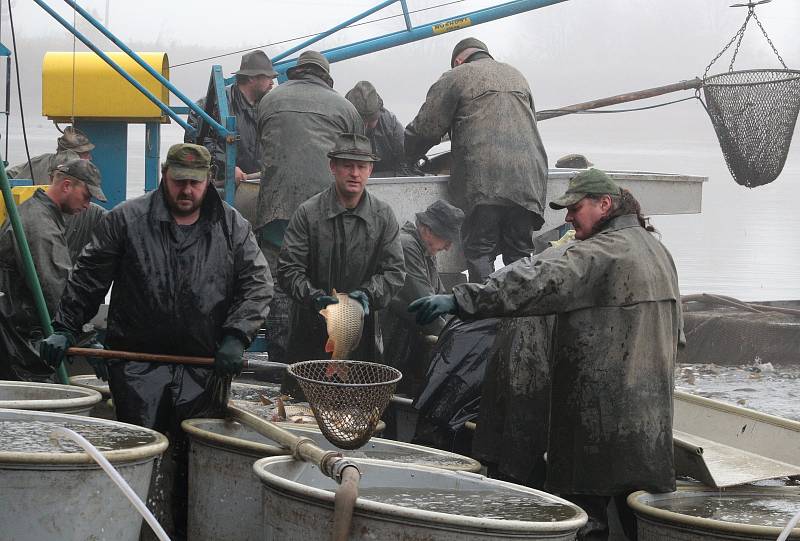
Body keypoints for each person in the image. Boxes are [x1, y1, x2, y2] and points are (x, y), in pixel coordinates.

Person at [409, 168, 683, 541]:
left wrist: (460, 298)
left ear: (605, 204)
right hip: (650, 431)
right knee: (632, 518)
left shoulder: (597, 254)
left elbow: (535, 278)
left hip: (596, 428)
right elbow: (678, 339)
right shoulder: (659, 252)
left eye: (575, 207)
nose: (568, 217)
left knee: (587, 522)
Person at [40, 143, 273, 539]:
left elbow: (257, 284)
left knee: (192, 468)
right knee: (140, 462)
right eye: (179, 181)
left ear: (208, 182)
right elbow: (88, 278)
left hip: (205, 370)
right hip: (135, 367)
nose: (186, 191)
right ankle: (134, 532)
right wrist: (65, 327)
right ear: (164, 174)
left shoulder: (232, 225)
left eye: (195, 184)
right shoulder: (126, 219)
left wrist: (237, 334)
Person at [405, 37, 548, 283]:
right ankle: (523, 318)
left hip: (484, 182)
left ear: (458, 61)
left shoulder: (457, 76)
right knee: (521, 256)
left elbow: (425, 129)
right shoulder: (517, 76)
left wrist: (406, 158)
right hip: (529, 182)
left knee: (481, 251)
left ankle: (486, 318)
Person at [255, 50, 363, 365]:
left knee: (280, 289)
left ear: (297, 72)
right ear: (325, 76)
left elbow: (264, 143)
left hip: (276, 215)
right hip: (326, 220)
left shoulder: (270, 101)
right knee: (326, 289)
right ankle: (317, 363)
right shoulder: (346, 107)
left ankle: (278, 365)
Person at [277, 132, 405, 394]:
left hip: (362, 334)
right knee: (302, 409)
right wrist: (315, 299)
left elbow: (394, 272)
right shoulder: (308, 213)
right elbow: (288, 269)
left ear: (370, 170)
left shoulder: (383, 216)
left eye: (361, 166)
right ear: (332, 167)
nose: (354, 173)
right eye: (347, 165)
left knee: (357, 407)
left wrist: (368, 295)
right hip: (309, 331)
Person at [0, 159, 105, 382]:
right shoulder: (40, 225)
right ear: (67, 186)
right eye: (86, 196)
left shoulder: (40, 212)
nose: (88, 205)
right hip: (17, 342)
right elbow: (56, 286)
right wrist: (87, 339)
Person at [380, 199, 464, 395]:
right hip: (391, 338)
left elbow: (440, 295)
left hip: (406, 339)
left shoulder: (425, 247)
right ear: (427, 230)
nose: (448, 247)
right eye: (447, 239)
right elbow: (427, 306)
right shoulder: (407, 245)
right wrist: (457, 340)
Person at [186, 50, 278, 186]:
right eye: (268, 77)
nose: (272, 83)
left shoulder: (269, 105)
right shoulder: (214, 103)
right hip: (222, 187)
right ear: (252, 78)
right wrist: (227, 167)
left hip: (255, 185)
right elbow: (198, 142)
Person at [345, 80, 406, 176]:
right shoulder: (341, 123)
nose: (365, 126)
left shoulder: (392, 125)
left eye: (371, 121)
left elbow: (404, 165)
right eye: (360, 121)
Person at [7, 126, 94, 184]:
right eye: (86, 154)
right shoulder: (73, 174)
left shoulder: (40, 159)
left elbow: (9, 174)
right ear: (71, 154)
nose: (90, 158)